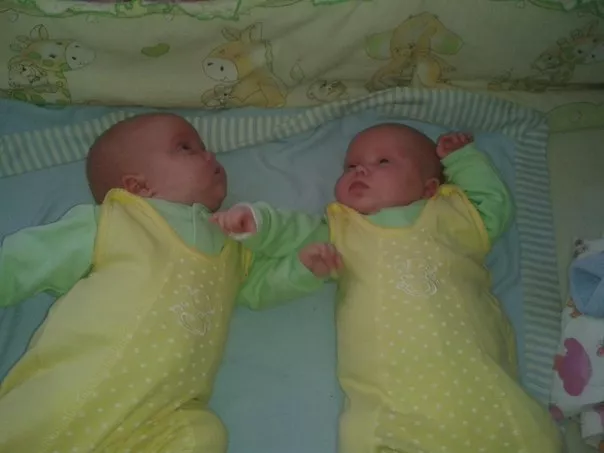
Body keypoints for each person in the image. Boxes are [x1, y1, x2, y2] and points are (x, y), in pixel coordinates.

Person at [212, 123, 563, 453]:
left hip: (484, 391)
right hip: (394, 411)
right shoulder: (343, 230)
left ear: (429, 188)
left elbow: (494, 205)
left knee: (528, 433)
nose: (360, 171)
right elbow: (291, 232)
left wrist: (463, 160)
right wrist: (257, 224)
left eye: (382, 162)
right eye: (350, 166)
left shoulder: (453, 215)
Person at [0, 113, 321, 453]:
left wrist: (303, 269)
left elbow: (258, 287)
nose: (210, 154)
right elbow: (27, 260)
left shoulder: (233, 247)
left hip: (159, 417)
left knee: (203, 435)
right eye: (186, 148)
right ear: (139, 187)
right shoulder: (120, 220)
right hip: (80, 385)